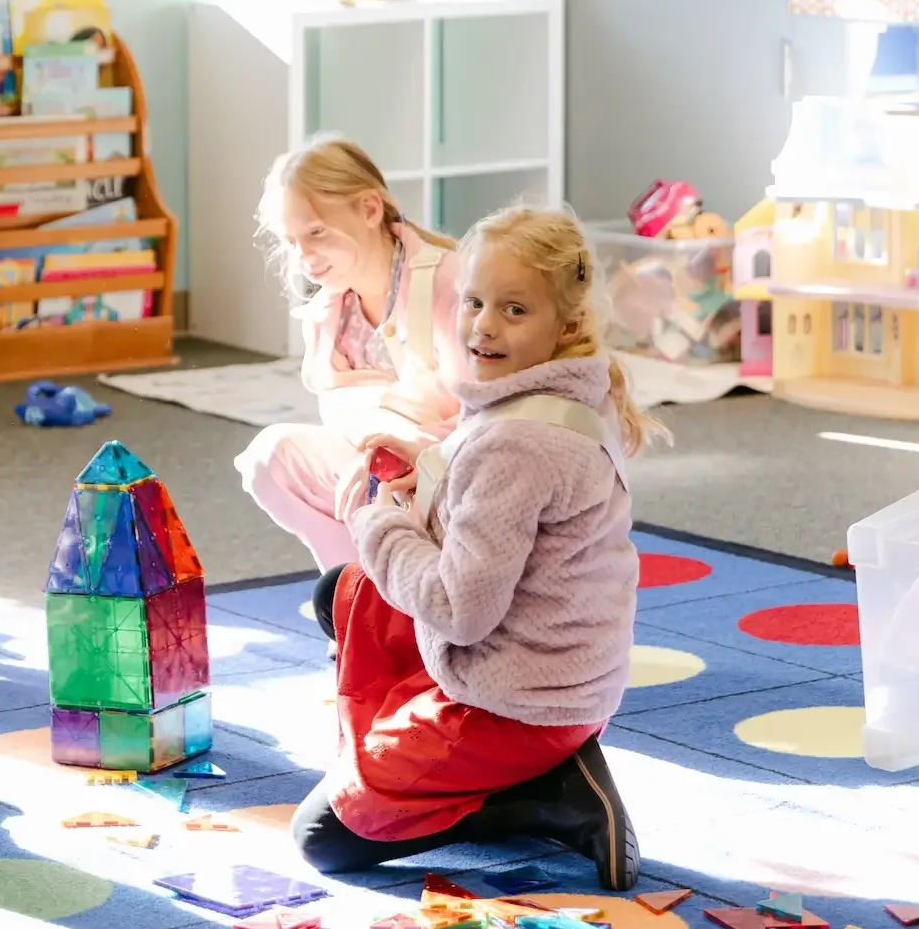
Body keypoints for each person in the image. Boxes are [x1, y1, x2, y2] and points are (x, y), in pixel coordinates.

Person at [290, 204, 667, 886]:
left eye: (514, 310)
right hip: (559, 673)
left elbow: (459, 608)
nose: (484, 325)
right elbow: (495, 499)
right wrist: (427, 463)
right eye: (474, 301)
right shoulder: (558, 390)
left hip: (521, 704)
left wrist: (376, 520)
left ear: (565, 323)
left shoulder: (518, 442)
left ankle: (544, 799)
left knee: (324, 834)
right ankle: (543, 765)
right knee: (342, 594)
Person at [235, 135, 464, 571]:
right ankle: (348, 592)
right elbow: (343, 415)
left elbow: (489, 417)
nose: (304, 256)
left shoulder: (448, 283)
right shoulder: (330, 311)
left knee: (380, 476)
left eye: (316, 233)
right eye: (291, 241)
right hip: (380, 470)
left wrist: (406, 447)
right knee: (269, 458)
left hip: (451, 470)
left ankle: (410, 594)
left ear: (370, 209)